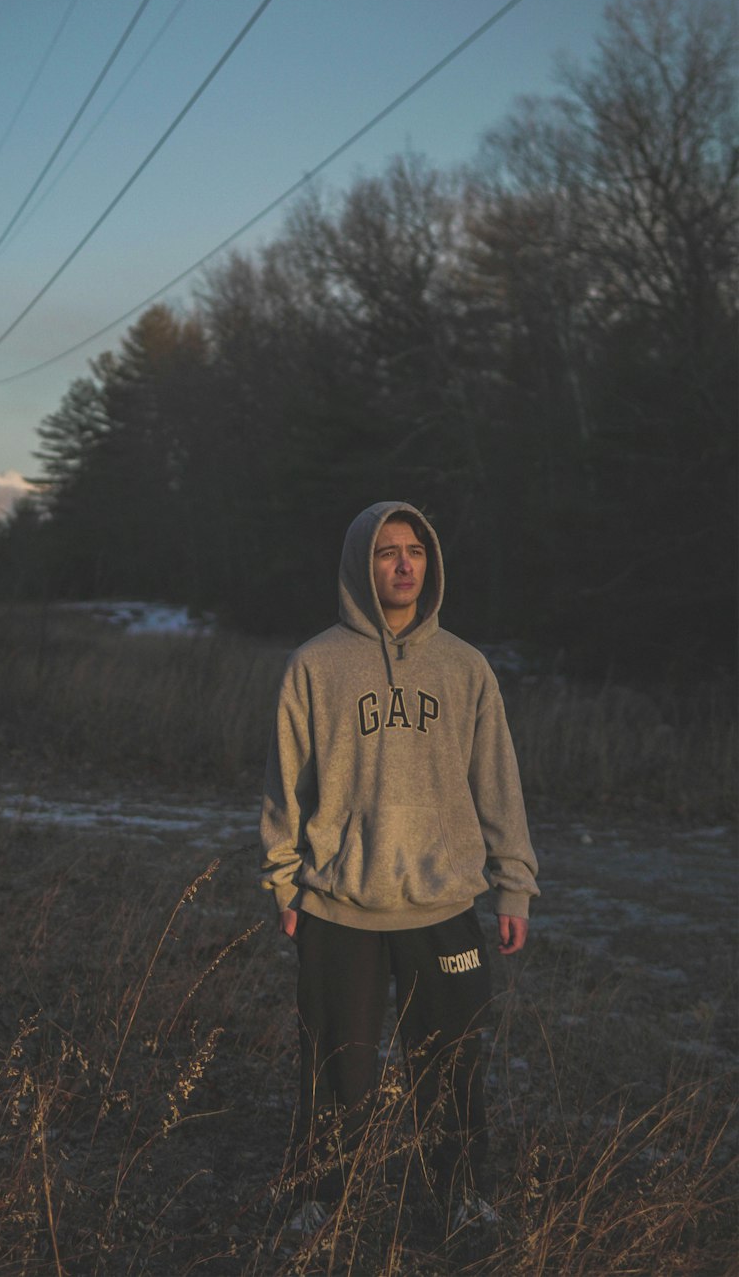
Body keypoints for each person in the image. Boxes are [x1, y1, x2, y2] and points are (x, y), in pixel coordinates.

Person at [260, 501, 538, 1241]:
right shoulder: (315, 666)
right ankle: (321, 1201)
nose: (405, 564)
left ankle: (461, 1199)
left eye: (415, 550)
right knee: (334, 1073)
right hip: (338, 906)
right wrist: (285, 882)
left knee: (453, 1070)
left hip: (444, 903)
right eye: (388, 552)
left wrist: (514, 882)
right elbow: (287, 786)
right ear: (362, 563)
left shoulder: (464, 667)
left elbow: (498, 783)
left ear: (431, 562)